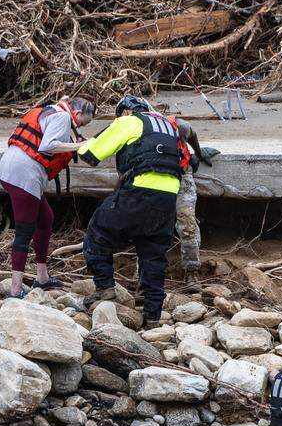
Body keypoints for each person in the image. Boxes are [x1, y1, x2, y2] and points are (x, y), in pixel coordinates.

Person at [77, 95, 183, 328]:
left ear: (125, 111)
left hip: (139, 191)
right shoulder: (168, 126)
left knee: (98, 231)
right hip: (168, 196)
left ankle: (105, 288)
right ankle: (153, 315)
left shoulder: (129, 121)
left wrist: (78, 143)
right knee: (153, 251)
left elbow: (89, 153)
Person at [0, 96, 96, 297]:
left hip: (11, 168)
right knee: (24, 232)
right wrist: (78, 146)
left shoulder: (51, 109)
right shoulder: (62, 118)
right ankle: (15, 291)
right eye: (84, 122)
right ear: (76, 114)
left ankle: (41, 278)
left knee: (45, 219)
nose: (82, 126)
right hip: (24, 174)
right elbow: (48, 146)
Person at [170, 119, 218, 285]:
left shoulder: (176, 126)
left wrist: (197, 153)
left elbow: (191, 133)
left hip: (182, 176)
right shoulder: (135, 131)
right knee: (147, 225)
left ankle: (192, 272)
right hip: (153, 179)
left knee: (187, 222)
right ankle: (143, 277)